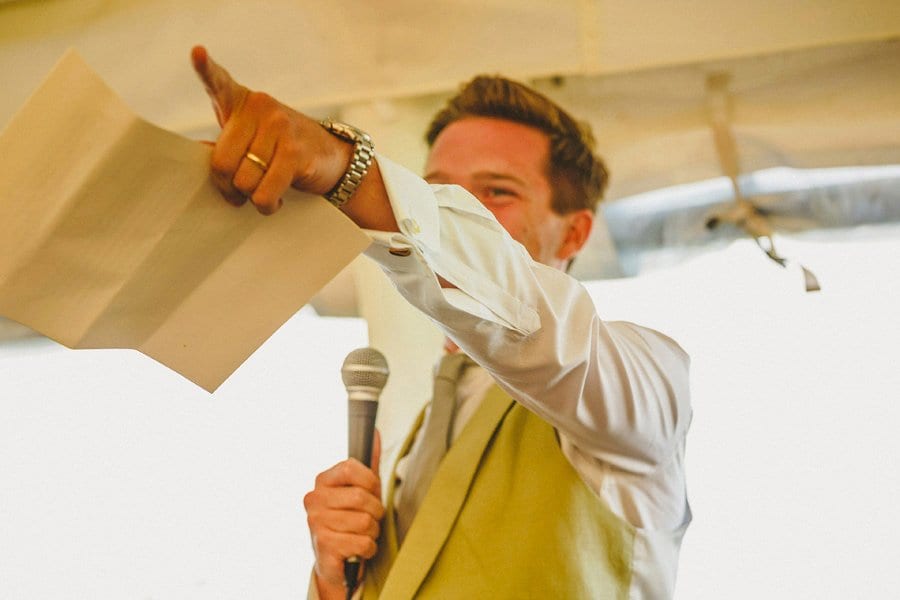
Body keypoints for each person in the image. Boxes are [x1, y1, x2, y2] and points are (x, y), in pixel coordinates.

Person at [191, 45, 692, 599]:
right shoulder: (420, 439)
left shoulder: (639, 386)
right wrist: (335, 585)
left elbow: (528, 313)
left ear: (573, 234)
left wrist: (345, 170)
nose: (458, 211)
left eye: (495, 192)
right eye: (436, 192)